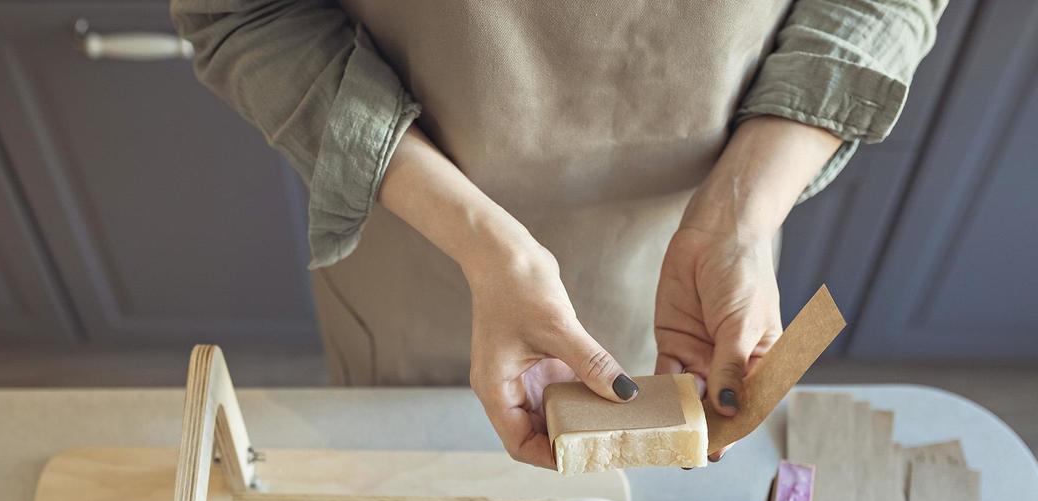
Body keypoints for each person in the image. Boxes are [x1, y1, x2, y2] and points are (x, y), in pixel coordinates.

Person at [171, 0, 943, 466]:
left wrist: (742, 210)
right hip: (423, 251)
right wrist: (482, 243)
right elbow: (243, 13)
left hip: (698, 265)